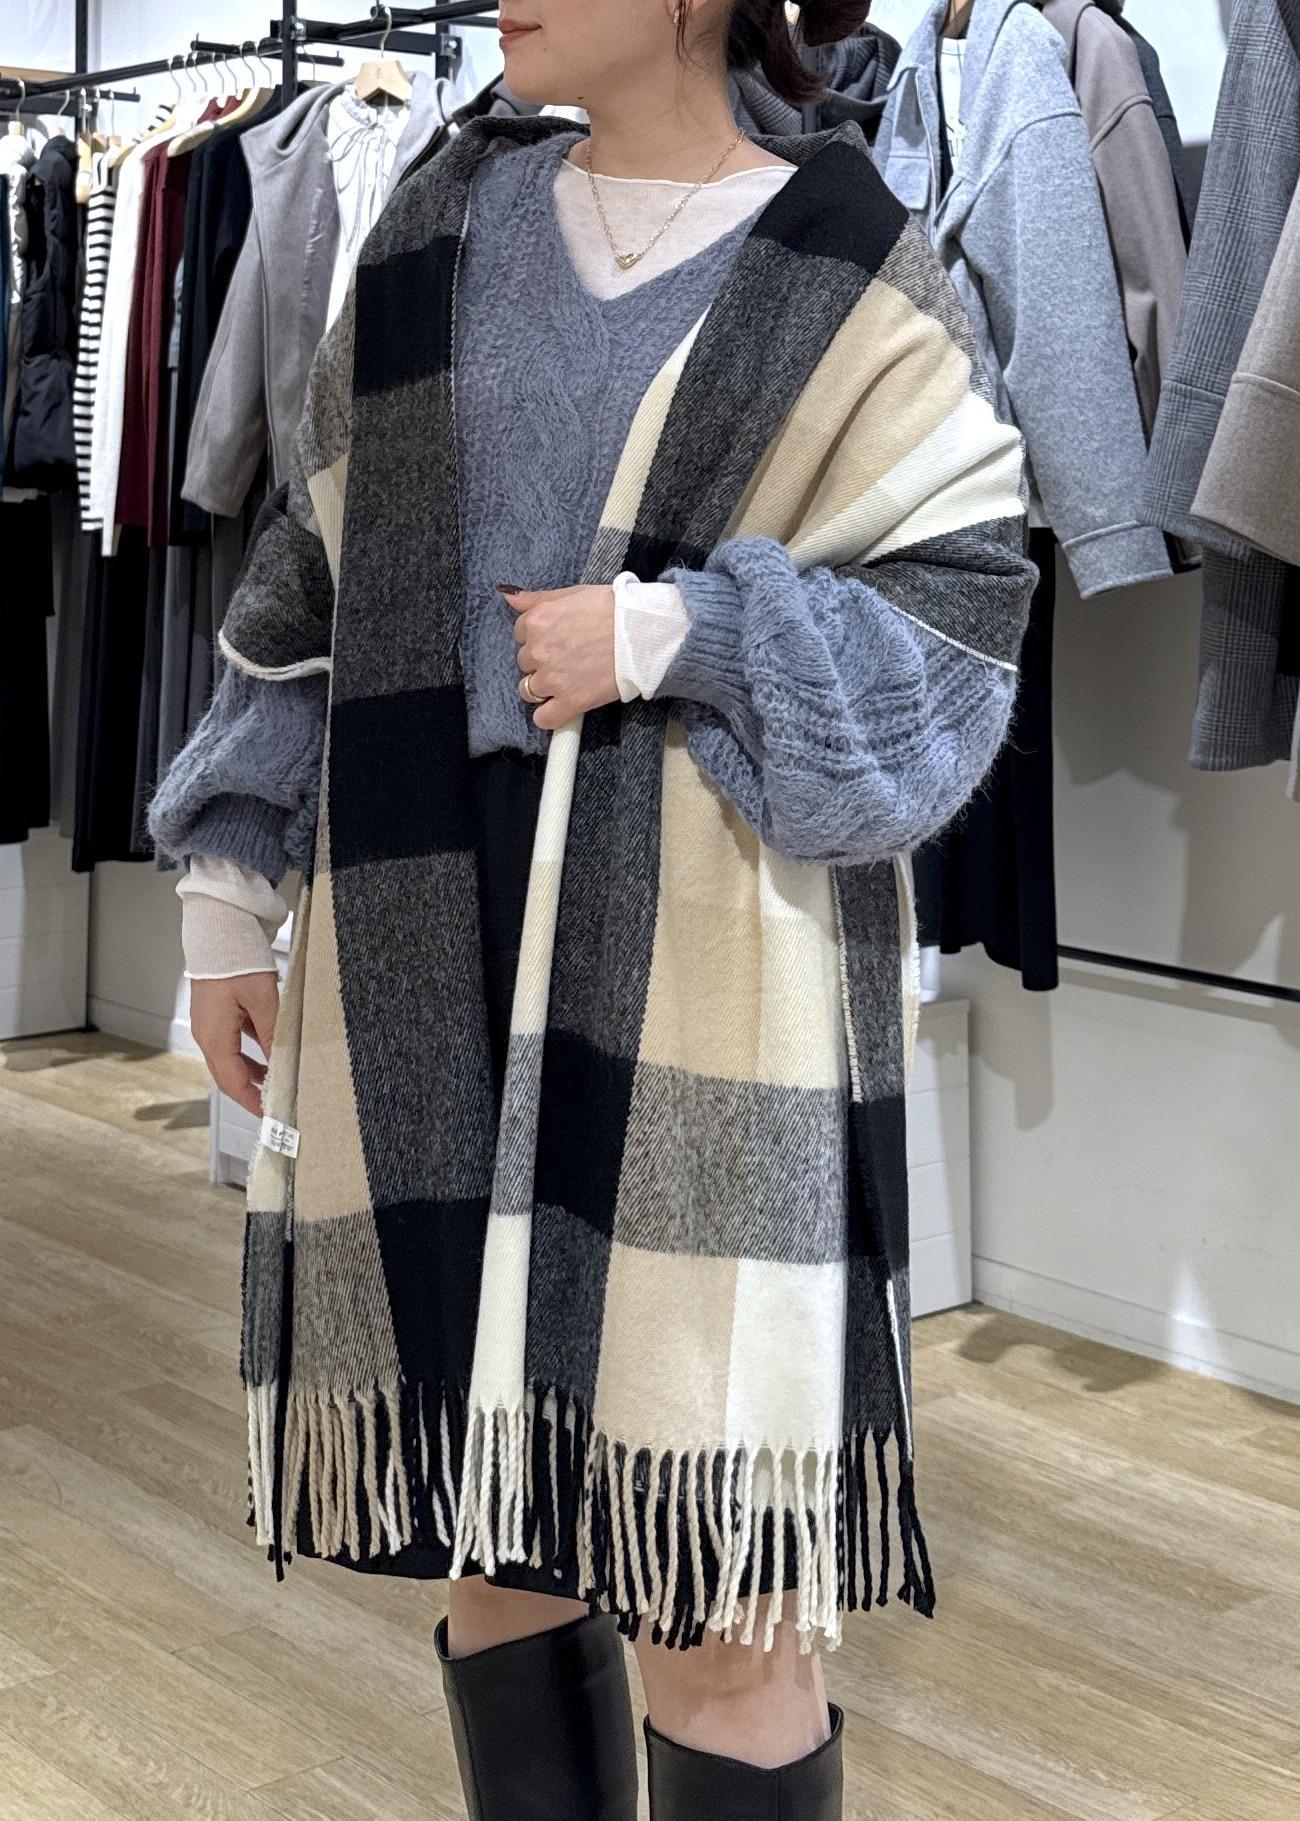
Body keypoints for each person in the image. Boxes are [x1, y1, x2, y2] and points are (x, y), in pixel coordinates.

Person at [148, 1, 1036, 1814]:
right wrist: (230, 885)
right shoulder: (436, 230)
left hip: (710, 972)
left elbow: (961, 624)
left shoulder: (857, 266)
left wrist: (681, 633)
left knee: (719, 1594)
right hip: (431, 938)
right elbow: (313, 561)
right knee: (500, 1528)